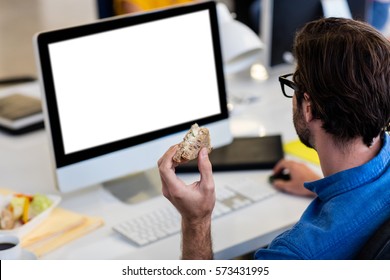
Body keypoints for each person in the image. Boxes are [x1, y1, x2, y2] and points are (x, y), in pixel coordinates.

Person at [158, 17, 390, 259]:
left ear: (308, 107)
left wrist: (197, 219)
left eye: (294, 83)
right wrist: (318, 187)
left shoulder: (295, 255)